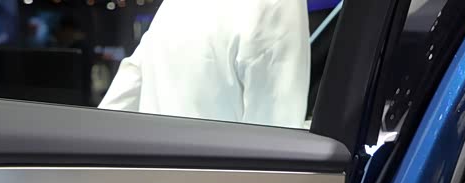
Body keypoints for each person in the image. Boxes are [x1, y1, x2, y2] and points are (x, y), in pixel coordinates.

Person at [99, 0, 310, 128]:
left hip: (151, 182)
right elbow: (280, 141)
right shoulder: (278, 4)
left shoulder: (172, 6)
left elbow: (112, 115)